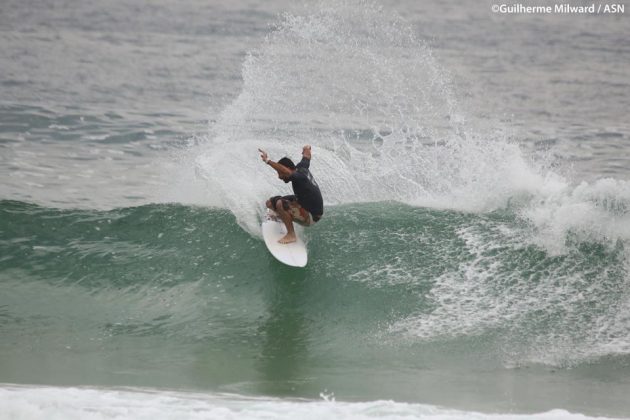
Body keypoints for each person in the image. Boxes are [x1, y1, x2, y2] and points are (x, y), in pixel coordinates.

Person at [259, 145, 324, 244]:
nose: (279, 177)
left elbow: (286, 172)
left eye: (279, 172)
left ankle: (291, 235)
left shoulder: (298, 176)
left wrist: (268, 161)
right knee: (270, 204)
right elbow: (307, 157)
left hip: (312, 216)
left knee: (281, 204)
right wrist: (306, 148)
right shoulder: (301, 166)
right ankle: (282, 216)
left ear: (287, 169)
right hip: (303, 202)